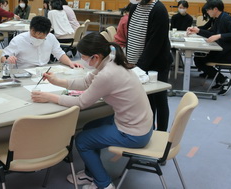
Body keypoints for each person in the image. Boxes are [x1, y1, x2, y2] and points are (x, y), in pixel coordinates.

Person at [31, 32, 153, 189]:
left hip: (134, 133)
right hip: (140, 124)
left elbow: (81, 102)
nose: (82, 59)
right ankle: (91, 173)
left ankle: (104, 184)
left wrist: (50, 97)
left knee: (82, 141)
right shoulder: (110, 60)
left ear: (95, 56)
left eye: (83, 56)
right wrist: (57, 82)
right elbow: (86, 82)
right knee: (89, 127)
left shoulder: (108, 74)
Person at [125, 0, 172, 132]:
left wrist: (140, 66)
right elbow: (131, 34)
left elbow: (155, 43)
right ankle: (147, 131)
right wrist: (129, 60)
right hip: (137, 62)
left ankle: (162, 134)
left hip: (157, 63)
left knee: (159, 99)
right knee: (145, 101)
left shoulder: (158, 9)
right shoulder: (134, 6)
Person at [187, 0, 231, 95]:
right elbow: (211, 33)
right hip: (222, 49)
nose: (207, 12)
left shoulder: (226, 18)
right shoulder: (218, 19)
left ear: (215, 9)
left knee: (199, 60)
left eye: (208, 10)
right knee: (198, 56)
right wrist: (198, 31)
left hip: (228, 53)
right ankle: (220, 80)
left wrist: (219, 36)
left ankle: (224, 80)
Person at [1, 16, 81, 69]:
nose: (37, 37)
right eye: (34, 34)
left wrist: (70, 63)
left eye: (41, 36)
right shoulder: (18, 40)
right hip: (25, 72)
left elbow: (59, 53)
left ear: (47, 33)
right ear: (30, 29)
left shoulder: (51, 37)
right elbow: (3, 57)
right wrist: (7, 59)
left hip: (44, 71)